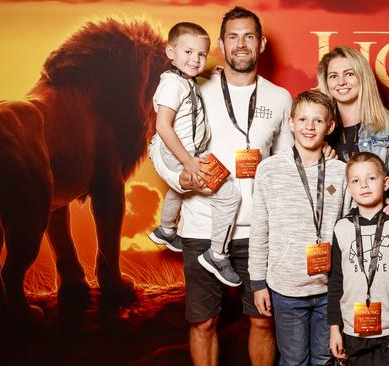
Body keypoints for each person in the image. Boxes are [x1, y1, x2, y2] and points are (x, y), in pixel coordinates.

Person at [150, 7, 294, 366]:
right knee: (204, 322)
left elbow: (286, 168)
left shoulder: (280, 98)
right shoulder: (194, 86)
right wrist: (178, 178)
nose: (240, 44)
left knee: (262, 320)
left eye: (248, 36)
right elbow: (158, 142)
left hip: (258, 232)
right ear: (220, 43)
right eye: (232, 36)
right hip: (201, 225)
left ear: (261, 43)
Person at [249, 90, 349, 366]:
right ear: (290, 122)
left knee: (324, 358)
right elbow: (260, 229)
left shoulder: (341, 173)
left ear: (330, 127)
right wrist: (258, 283)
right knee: (293, 360)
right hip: (286, 288)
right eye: (302, 119)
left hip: (329, 288)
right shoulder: (269, 169)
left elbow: (351, 232)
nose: (309, 126)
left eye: (318, 121)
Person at [147, 22, 242, 287]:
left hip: (185, 153)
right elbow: (163, 126)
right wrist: (187, 162)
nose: (195, 59)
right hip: (181, 154)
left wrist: (211, 71)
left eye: (201, 54)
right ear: (170, 52)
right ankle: (217, 255)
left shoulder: (183, 80)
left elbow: (192, 81)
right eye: (188, 52)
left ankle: (166, 230)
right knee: (229, 194)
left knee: (181, 188)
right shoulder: (171, 86)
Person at [328, 152, 389, 366]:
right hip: (352, 329)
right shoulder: (341, 228)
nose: (364, 185)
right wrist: (335, 328)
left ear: (386, 182)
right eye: (355, 181)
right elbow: (335, 281)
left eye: (371, 178)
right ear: (349, 188)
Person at [317, 46, 389, 216]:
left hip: (373, 223)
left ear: (363, 77)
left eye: (349, 74)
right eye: (333, 76)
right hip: (327, 223)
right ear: (326, 82)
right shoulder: (317, 127)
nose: (341, 82)